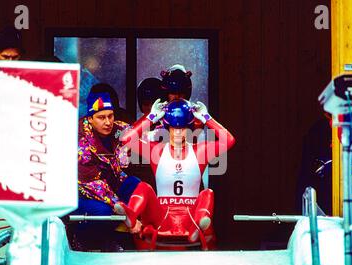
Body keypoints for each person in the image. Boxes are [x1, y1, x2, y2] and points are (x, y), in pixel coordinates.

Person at [114, 97, 235, 250]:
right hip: (161, 217)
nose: (178, 133)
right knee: (144, 186)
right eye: (174, 128)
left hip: (191, 217)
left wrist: (206, 118)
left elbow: (229, 140)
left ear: (189, 128)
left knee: (208, 193)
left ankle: (200, 225)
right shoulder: (156, 151)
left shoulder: (200, 151)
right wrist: (150, 117)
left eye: (182, 128)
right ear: (167, 127)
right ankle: (131, 214)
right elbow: (126, 139)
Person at [67, 84, 141, 252]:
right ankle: (81, 238)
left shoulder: (115, 130)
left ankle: (107, 238)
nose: (108, 122)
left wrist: (152, 118)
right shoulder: (81, 140)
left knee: (135, 185)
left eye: (111, 116)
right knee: (104, 211)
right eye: (101, 117)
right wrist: (127, 214)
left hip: (110, 188)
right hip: (82, 194)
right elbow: (95, 186)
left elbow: (136, 133)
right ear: (90, 118)